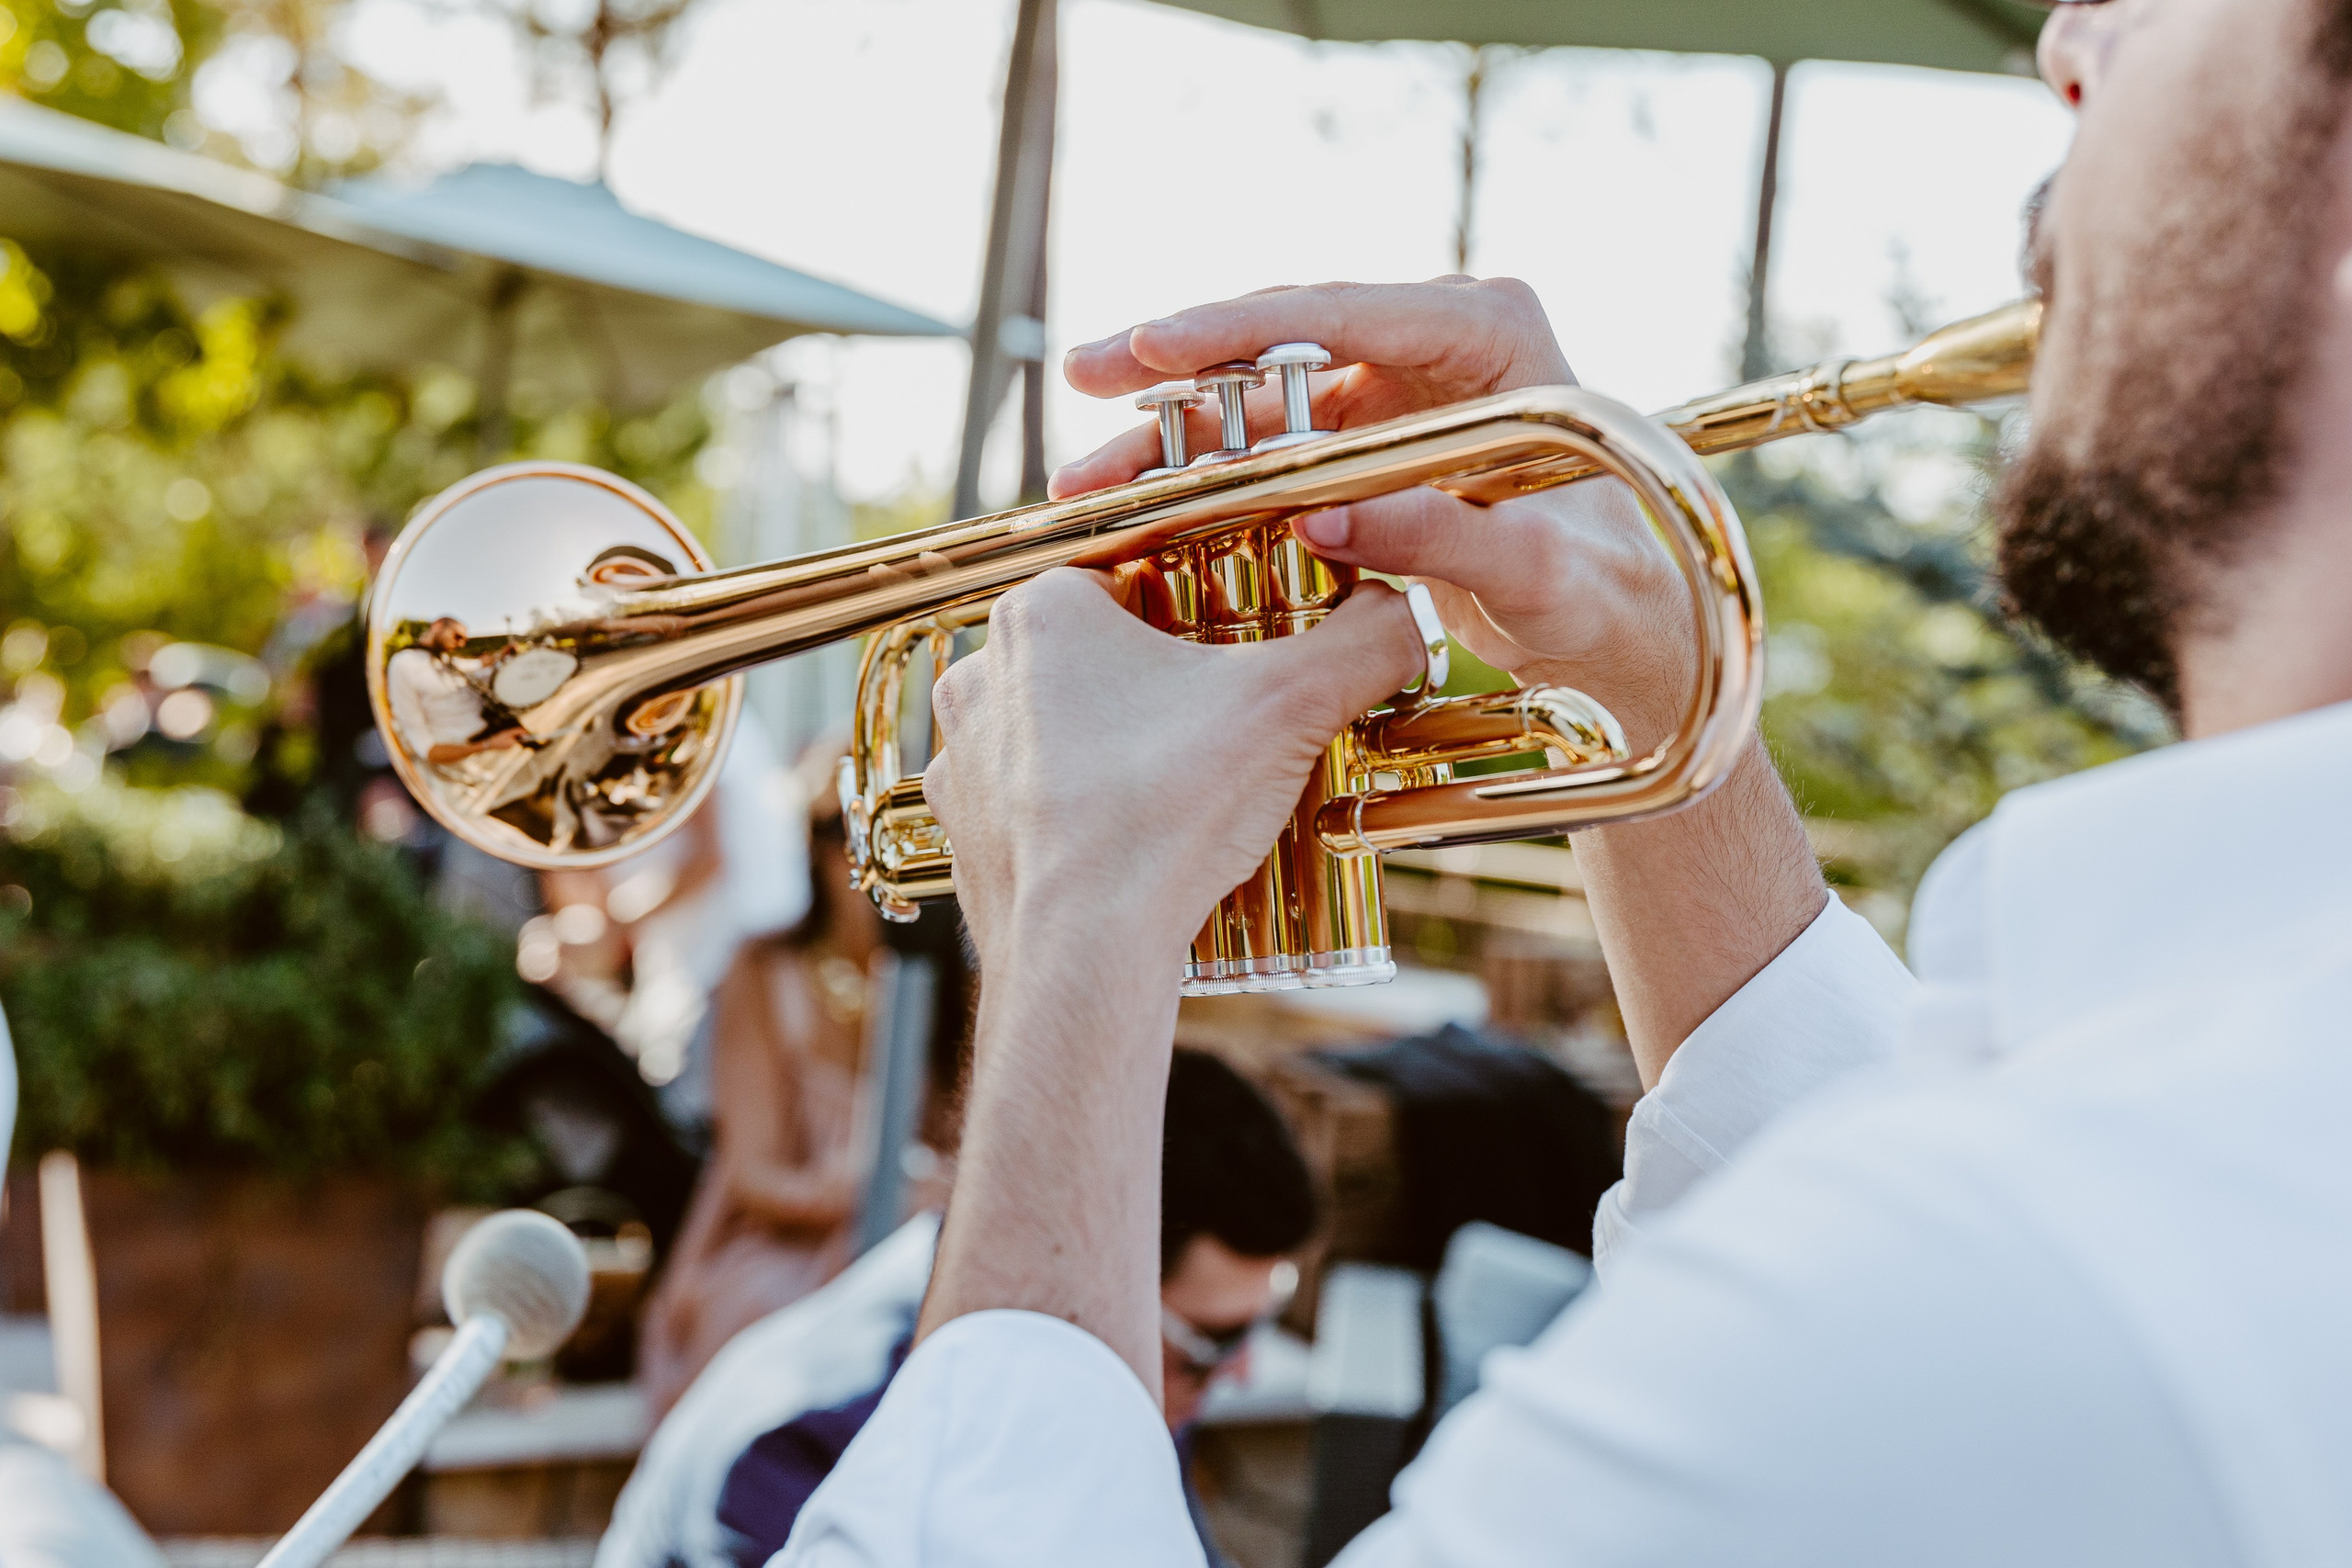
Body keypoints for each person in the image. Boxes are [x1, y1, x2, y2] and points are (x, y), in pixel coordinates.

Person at [766, 3, 2352, 1564]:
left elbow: (1911, 1293)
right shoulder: (2191, 1154)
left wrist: (1075, 924)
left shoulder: (2063, 1246)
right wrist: (1651, 693)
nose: (2070, 35)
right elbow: (1877, 1252)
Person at [594, 1047, 1316, 1568]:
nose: (1242, 1370)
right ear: (1096, 1269)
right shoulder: (825, 1427)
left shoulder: (1104, 1353)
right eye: (1214, 1340)